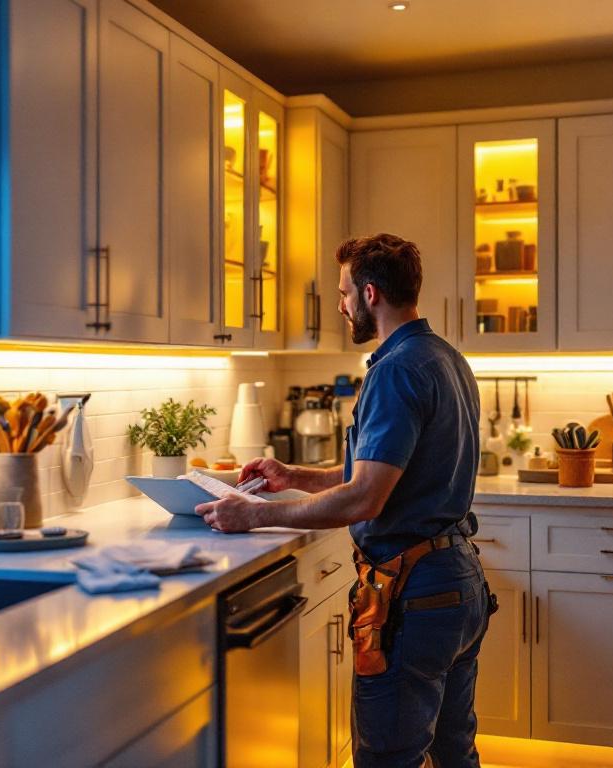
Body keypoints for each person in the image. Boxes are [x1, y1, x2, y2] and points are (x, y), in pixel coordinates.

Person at [195, 233, 491, 768]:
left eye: (344, 292)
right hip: (457, 585)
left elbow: (364, 499)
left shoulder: (395, 370)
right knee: (453, 752)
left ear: (370, 294)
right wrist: (293, 476)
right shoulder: (445, 358)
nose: (340, 305)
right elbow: (376, 476)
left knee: (387, 757)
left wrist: (254, 514)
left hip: (414, 594)